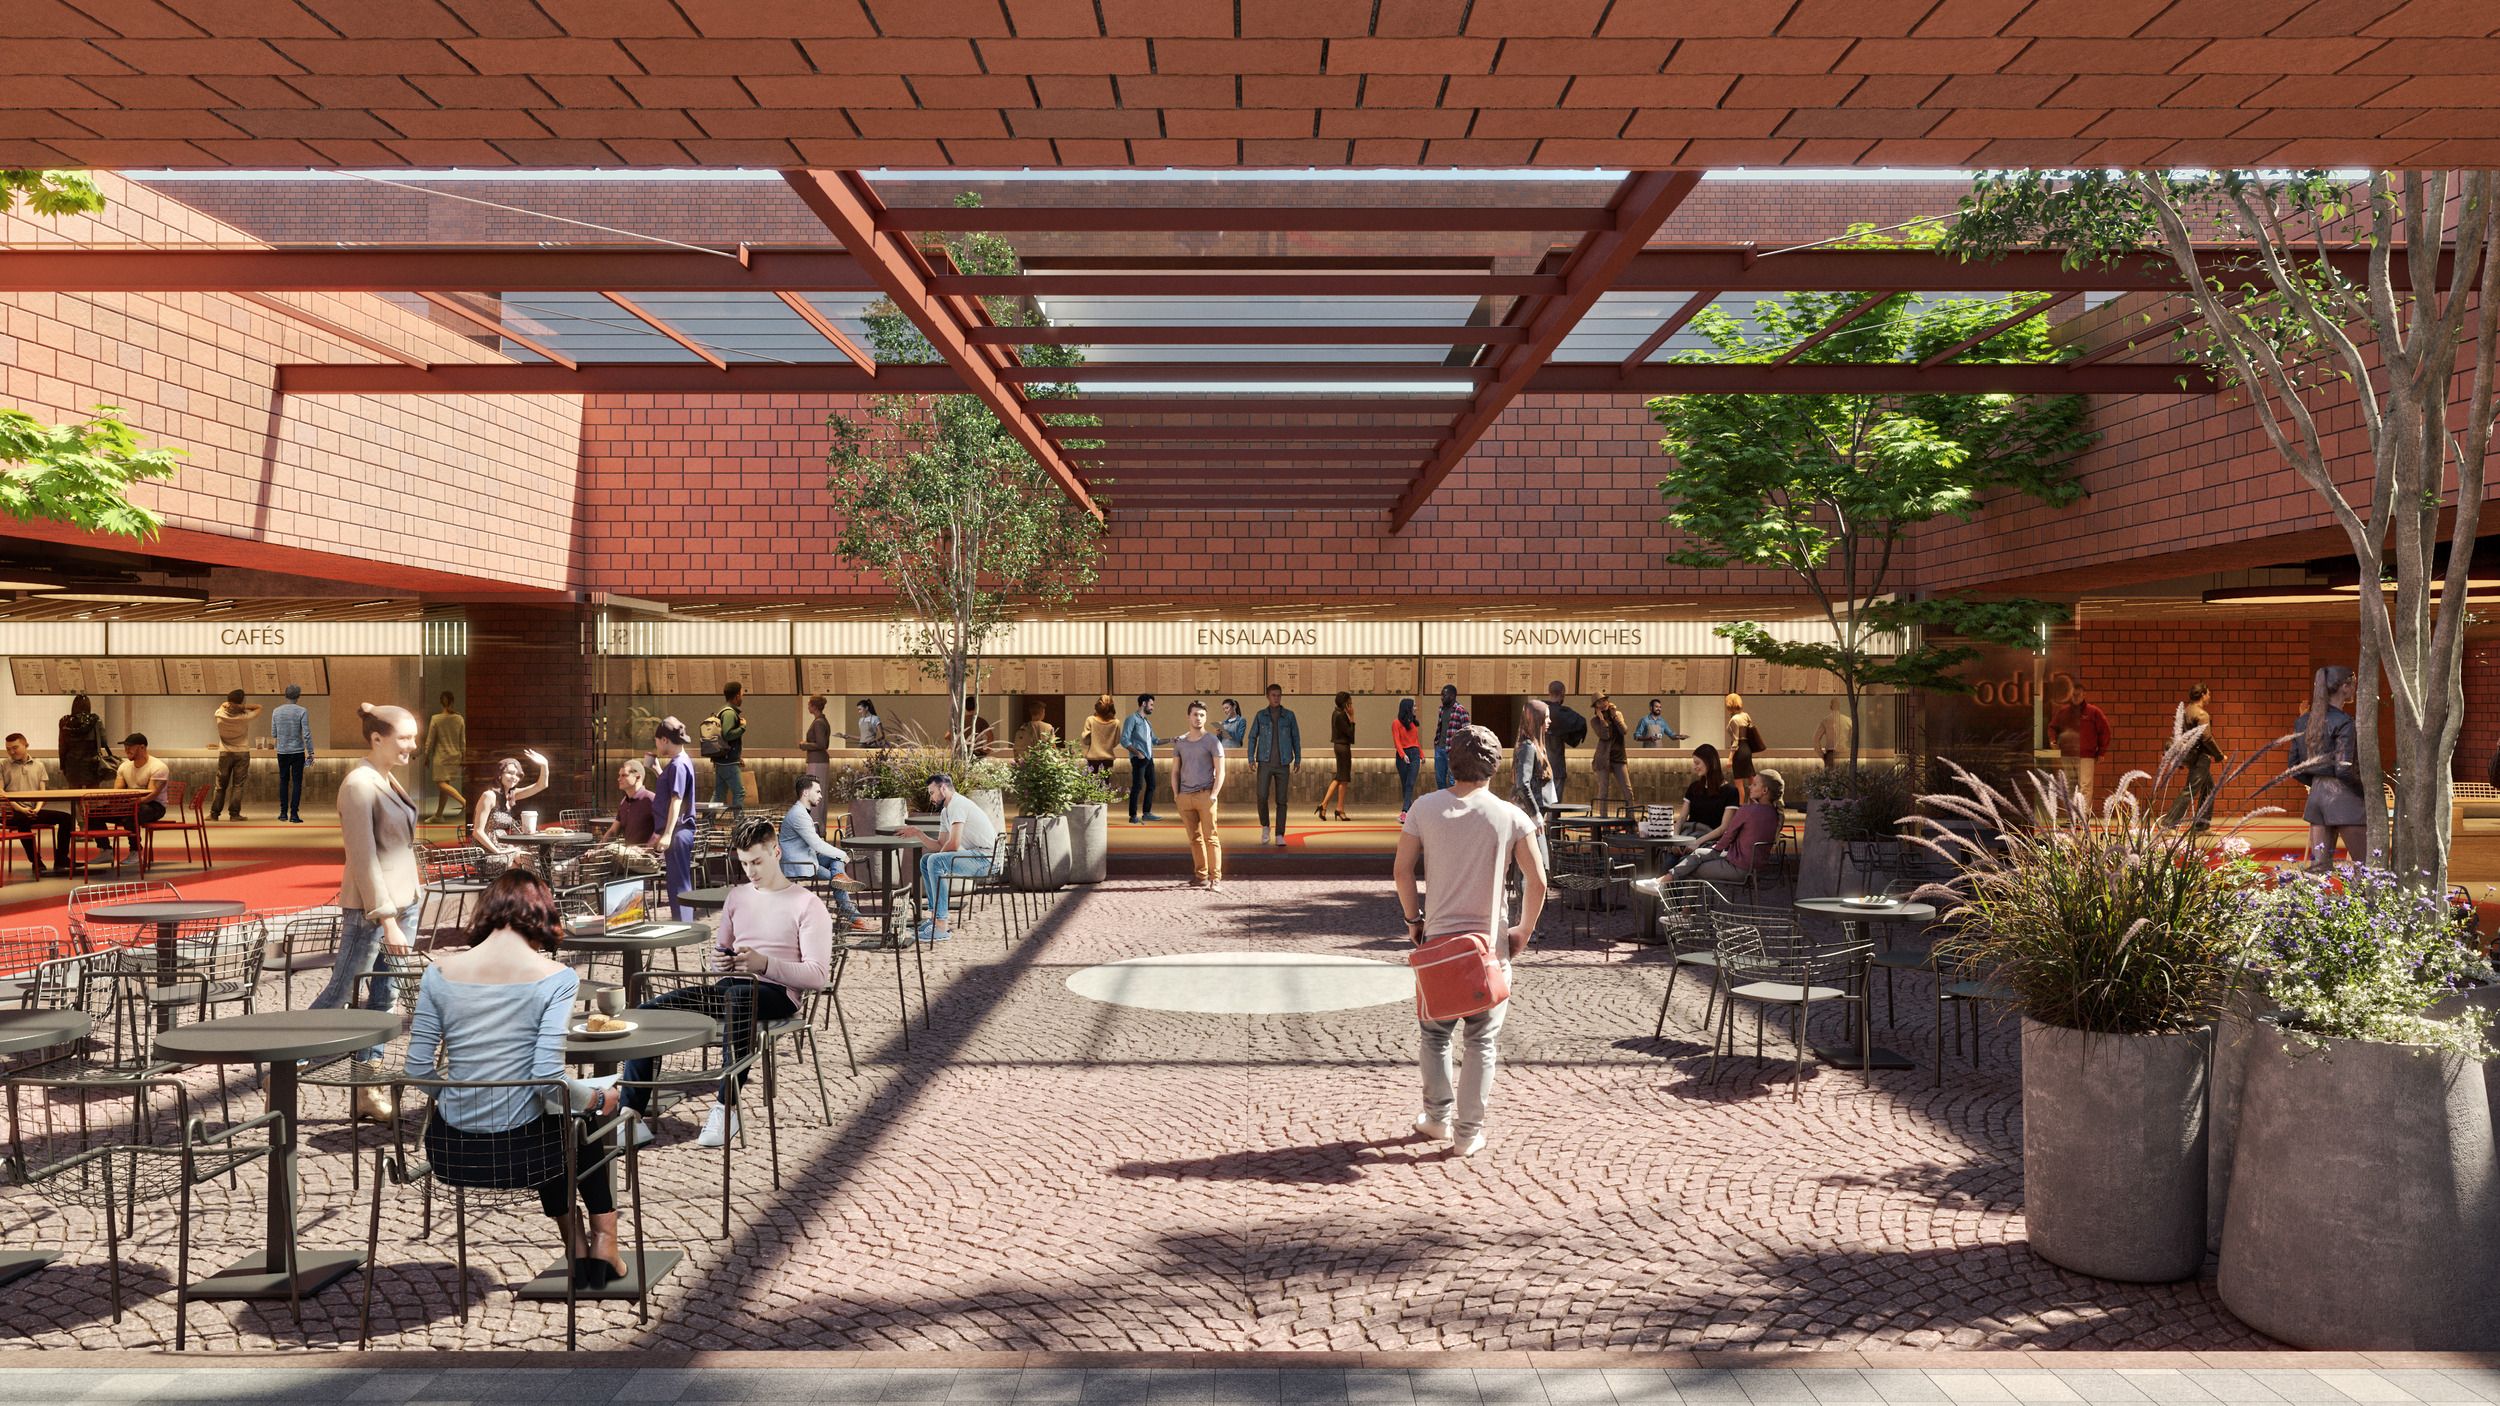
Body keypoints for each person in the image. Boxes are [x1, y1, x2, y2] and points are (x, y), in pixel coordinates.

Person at [403, 868, 627, 1288]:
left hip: (452, 1152)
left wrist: (462, 1101)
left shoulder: (438, 973)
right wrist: (599, 1100)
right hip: (526, 1155)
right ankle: (604, 1241)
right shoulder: (556, 977)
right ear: (541, 914)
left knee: (551, 1113)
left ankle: (577, 1246)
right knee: (580, 1113)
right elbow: (546, 1076)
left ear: (488, 911)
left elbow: (416, 1068)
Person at [622, 816, 832, 1149]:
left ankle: (726, 1108)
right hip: (732, 988)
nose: (751, 871)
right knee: (648, 1011)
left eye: (758, 862)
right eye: (745, 863)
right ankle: (630, 1116)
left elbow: (818, 976)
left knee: (738, 994)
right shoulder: (737, 896)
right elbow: (723, 952)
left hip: (779, 993)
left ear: (776, 852)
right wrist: (722, 960)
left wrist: (764, 964)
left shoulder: (807, 905)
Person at [1393, 723, 1546, 1159]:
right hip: (1490, 946)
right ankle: (1468, 1132)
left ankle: (1436, 1119)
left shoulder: (1424, 807)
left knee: (1434, 1034)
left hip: (1439, 941)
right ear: (1494, 766)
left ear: (1451, 762)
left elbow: (1402, 871)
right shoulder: (1511, 816)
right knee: (1482, 1040)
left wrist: (1413, 921)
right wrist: (1522, 932)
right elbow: (1537, 881)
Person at [315, 703, 424, 1122]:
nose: (412, 746)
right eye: (404, 738)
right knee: (342, 991)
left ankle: (367, 1085)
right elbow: (363, 860)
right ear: (376, 738)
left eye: (414, 737)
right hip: (373, 911)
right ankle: (288, 1069)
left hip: (402, 903)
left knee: (386, 998)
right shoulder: (359, 784)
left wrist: (407, 905)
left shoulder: (385, 779)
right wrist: (388, 920)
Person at [896, 773, 998, 944]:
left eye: (932, 792)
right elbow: (941, 844)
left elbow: (954, 843)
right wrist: (918, 833)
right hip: (978, 856)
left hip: (987, 859)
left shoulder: (958, 804)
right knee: (926, 860)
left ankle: (941, 926)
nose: (931, 798)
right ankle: (935, 918)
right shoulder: (946, 812)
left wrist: (937, 861)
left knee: (934, 861)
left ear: (943, 788)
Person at [2289, 665, 2366, 870]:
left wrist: (2315, 781)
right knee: (2366, 868)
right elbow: (2343, 768)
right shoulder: (2344, 722)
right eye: (2353, 685)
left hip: (2316, 799)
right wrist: (2365, 790)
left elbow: (2293, 766)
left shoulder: (2302, 721)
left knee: (2319, 869)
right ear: (2344, 687)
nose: (2355, 690)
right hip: (2346, 799)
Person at [780, 775, 870, 933]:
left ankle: (839, 877)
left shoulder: (801, 812)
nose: (821, 796)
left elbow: (816, 845)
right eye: (818, 791)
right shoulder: (798, 815)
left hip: (808, 857)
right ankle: (855, 918)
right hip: (800, 864)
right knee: (837, 871)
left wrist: (839, 855)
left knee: (836, 864)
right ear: (806, 793)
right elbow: (816, 844)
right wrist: (842, 855)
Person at [1171, 701, 1227, 891]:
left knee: (1211, 837)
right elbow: (1175, 771)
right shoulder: (1181, 742)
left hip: (1205, 795)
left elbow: (1221, 771)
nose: (1198, 718)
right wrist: (1176, 794)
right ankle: (1200, 875)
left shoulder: (1212, 741)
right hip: (1185, 796)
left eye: (1202, 715)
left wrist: (1214, 795)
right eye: (1195, 714)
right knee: (1194, 838)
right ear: (1188, 716)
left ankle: (1216, 878)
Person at [649, 718, 700, 920]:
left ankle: (683, 925)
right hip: (680, 830)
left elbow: (676, 799)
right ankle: (683, 922)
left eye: (657, 741)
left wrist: (668, 834)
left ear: (664, 740)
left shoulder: (678, 765)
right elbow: (675, 790)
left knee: (678, 882)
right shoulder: (679, 762)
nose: (656, 745)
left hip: (678, 831)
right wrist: (657, 770)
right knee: (678, 879)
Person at [1, 733, 72, 877]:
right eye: (8, 749)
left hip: (34, 810)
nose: (12, 752)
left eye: (15, 748)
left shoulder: (39, 765)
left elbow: (42, 792)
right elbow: (1, 792)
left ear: (26, 745)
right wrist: (22, 809)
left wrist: (37, 809)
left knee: (67, 818)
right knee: (22, 819)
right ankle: (36, 861)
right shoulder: (3, 765)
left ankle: (61, 859)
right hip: (10, 812)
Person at [471, 750, 552, 869]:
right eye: (509, 773)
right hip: (487, 852)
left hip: (505, 848)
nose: (514, 777)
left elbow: (541, 785)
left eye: (517, 774)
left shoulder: (512, 795)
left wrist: (544, 764)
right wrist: (497, 851)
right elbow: (477, 832)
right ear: (499, 775)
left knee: (530, 860)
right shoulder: (489, 796)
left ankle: (542, 886)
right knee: (523, 867)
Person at [1247, 683, 1301, 849]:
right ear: (1268, 697)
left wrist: (1298, 758)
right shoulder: (1260, 715)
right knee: (1262, 796)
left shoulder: (1289, 716)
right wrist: (1251, 758)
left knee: (1282, 800)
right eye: (1273, 695)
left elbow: (1296, 738)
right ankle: (1265, 826)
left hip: (1283, 763)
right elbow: (1252, 737)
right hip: (1264, 762)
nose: (1276, 698)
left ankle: (1279, 834)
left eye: (1278, 695)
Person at [2165, 684, 2225, 830]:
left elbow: (2177, 735)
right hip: (2200, 757)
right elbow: (2206, 738)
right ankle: (2169, 824)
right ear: (2203, 695)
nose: (2209, 697)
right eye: (2208, 694)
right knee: (2190, 790)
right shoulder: (2202, 714)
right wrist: (2219, 755)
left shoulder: (2185, 712)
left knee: (2209, 787)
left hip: (2189, 756)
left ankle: (2201, 825)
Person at [109, 733, 172, 862]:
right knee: (94, 814)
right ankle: (105, 850)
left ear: (142, 747)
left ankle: (136, 851)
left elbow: (151, 794)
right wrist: (115, 803)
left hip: (154, 806)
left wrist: (130, 804)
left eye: (130, 746)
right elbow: (118, 791)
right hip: (131, 804)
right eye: (125, 746)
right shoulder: (124, 766)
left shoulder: (158, 767)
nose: (126, 750)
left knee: (131, 815)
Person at [1513, 699, 1556, 858]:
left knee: (1538, 862)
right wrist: (1535, 814)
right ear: (1536, 719)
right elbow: (1522, 784)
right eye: (1546, 717)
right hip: (1530, 815)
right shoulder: (1528, 747)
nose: (1549, 721)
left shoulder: (1535, 746)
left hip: (1535, 813)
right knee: (1535, 863)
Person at [210, 688, 262, 821]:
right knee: (238, 786)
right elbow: (259, 707)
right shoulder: (244, 717)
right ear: (241, 702)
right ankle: (234, 814)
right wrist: (242, 707)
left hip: (225, 753)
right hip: (242, 753)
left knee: (220, 785)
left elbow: (222, 704)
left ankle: (214, 814)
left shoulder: (219, 714)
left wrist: (231, 704)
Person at [422, 691, 467, 823]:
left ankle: (464, 802)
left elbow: (430, 740)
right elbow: (462, 740)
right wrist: (463, 756)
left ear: (441, 702)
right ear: (452, 701)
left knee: (441, 783)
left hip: (441, 756)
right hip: (455, 755)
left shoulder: (436, 718)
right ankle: (439, 814)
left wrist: (426, 755)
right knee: (445, 784)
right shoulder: (459, 718)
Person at [272, 684, 313, 824]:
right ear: (298, 696)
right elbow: (306, 734)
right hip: (297, 751)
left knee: (283, 781)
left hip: (282, 751)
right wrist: (311, 752)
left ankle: (283, 813)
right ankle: (294, 814)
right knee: (297, 783)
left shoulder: (276, 711)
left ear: (285, 695)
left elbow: (274, 733)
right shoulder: (302, 711)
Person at [1681, 743, 1740, 837]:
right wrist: (1675, 840)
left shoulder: (1730, 792)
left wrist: (1697, 842)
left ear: (1710, 762)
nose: (1694, 767)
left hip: (1710, 840)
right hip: (1688, 835)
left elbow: (1724, 828)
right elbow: (1682, 818)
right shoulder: (1694, 787)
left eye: (1697, 763)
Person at [57, 693, 113, 791]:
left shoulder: (65, 722)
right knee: (91, 795)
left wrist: (62, 765)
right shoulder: (95, 721)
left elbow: (62, 745)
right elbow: (104, 741)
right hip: (92, 764)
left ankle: (78, 807)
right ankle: (89, 807)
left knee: (74, 795)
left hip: (72, 764)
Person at [1588, 694, 1633, 816]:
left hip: (1619, 757)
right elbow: (1605, 736)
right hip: (1603, 759)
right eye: (1599, 702)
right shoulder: (1594, 721)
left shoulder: (1617, 714)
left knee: (1628, 791)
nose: (1603, 703)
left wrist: (1614, 716)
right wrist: (1602, 719)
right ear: (1595, 706)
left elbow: (1624, 731)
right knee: (1603, 792)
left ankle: (1630, 821)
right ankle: (1603, 822)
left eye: (1604, 700)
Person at [2063, 689, 2111, 797]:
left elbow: (2105, 731)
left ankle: (2084, 813)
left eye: (2078, 694)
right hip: (2068, 755)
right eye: (2073, 695)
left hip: (2086, 755)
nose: (2076, 697)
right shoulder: (2064, 712)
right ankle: (2073, 813)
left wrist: (2101, 752)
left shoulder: (2093, 712)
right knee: (2070, 786)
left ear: (2083, 695)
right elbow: (2053, 727)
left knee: (2085, 786)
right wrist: (2054, 741)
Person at [708, 682, 748, 812]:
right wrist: (742, 727)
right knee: (739, 793)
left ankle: (708, 821)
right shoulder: (730, 713)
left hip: (722, 760)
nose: (743, 697)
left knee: (719, 794)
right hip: (728, 762)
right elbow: (728, 734)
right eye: (742, 694)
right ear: (736, 696)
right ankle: (739, 825)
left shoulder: (723, 711)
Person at [1121, 694, 1160, 824]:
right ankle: (1133, 816)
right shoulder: (1132, 719)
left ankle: (1146, 813)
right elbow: (1124, 740)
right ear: (1143, 703)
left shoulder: (1147, 722)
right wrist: (1137, 753)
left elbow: (1155, 740)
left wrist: (1171, 740)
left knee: (1152, 785)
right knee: (1137, 786)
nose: (1153, 708)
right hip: (1139, 758)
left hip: (1149, 758)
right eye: (1151, 705)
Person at [1317, 691, 1355, 823]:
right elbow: (1351, 735)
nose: (1351, 704)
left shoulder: (1336, 713)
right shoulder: (1341, 715)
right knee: (1343, 779)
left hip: (1339, 746)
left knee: (1340, 777)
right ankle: (1339, 808)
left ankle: (1324, 805)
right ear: (1345, 703)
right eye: (1350, 702)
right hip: (1343, 747)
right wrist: (1352, 717)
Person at [1544, 681, 1584, 801]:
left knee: (1541, 803)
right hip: (1556, 765)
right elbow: (1580, 725)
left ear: (1549, 692)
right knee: (1555, 803)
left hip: (1539, 765)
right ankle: (1553, 820)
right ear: (1563, 694)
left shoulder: (1537, 712)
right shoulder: (1566, 716)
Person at [802, 695, 834, 823]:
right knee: (817, 793)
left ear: (814, 706)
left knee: (814, 793)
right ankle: (818, 825)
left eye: (809, 705)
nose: (808, 707)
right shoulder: (821, 721)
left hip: (817, 761)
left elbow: (822, 744)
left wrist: (804, 745)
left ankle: (815, 825)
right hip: (818, 760)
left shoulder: (819, 722)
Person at [1390, 698, 1423, 822]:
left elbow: (1416, 741)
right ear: (1408, 708)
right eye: (1414, 706)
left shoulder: (1413, 724)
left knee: (1410, 783)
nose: (1416, 708)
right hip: (1402, 756)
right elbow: (1396, 740)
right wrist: (1403, 754)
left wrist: (1421, 754)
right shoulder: (1396, 723)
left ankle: (1404, 812)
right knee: (1405, 785)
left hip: (1414, 754)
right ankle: (1411, 811)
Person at [1431, 684, 1465, 792]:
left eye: (1444, 695)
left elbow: (1466, 733)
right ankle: (1442, 803)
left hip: (1453, 750)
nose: (1441, 697)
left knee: (1452, 780)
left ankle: (1452, 804)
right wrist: (1436, 744)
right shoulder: (1441, 710)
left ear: (1452, 695)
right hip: (1440, 749)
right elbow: (1440, 727)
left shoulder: (1461, 711)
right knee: (1439, 778)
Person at [1081, 694, 1120, 779]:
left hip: (1093, 758)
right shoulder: (1116, 722)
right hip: (1108, 759)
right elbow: (1116, 742)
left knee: (1091, 786)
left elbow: (1086, 741)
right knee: (1105, 785)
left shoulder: (1090, 720)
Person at [1813, 699, 1854, 769]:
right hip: (1846, 754)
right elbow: (1854, 738)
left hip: (1830, 755)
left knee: (1830, 778)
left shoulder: (1825, 720)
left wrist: (1822, 755)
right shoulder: (1848, 720)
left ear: (1830, 707)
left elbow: (1815, 739)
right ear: (1839, 707)